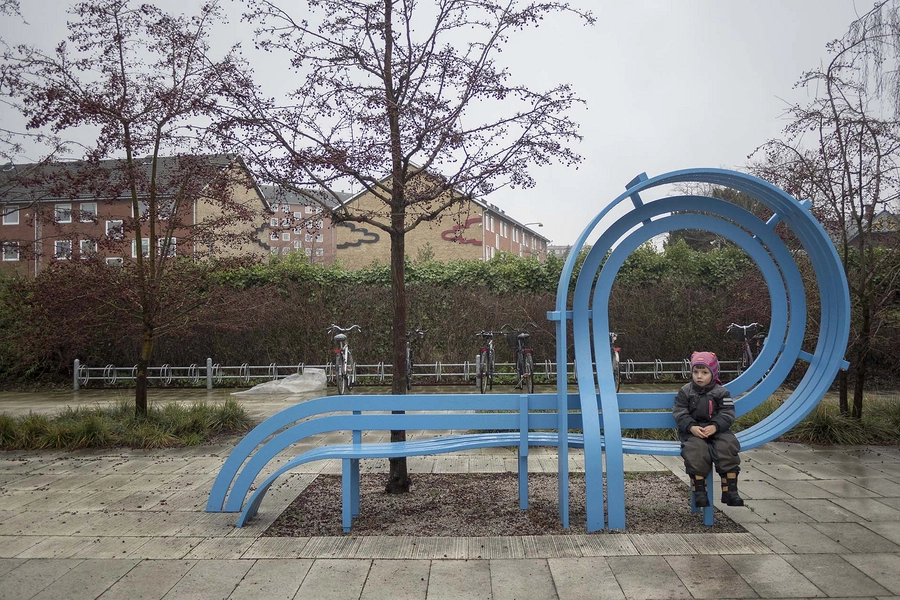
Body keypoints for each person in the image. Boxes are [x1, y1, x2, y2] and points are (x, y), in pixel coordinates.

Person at [672, 351, 744, 508]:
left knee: (728, 446)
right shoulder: (685, 391)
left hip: (718, 430)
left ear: (713, 373)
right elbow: (680, 412)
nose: (699, 376)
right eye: (695, 372)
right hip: (693, 432)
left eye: (704, 372)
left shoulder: (721, 392)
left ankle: (730, 491)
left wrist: (715, 426)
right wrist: (691, 427)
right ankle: (699, 492)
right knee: (695, 450)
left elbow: (727, 413)